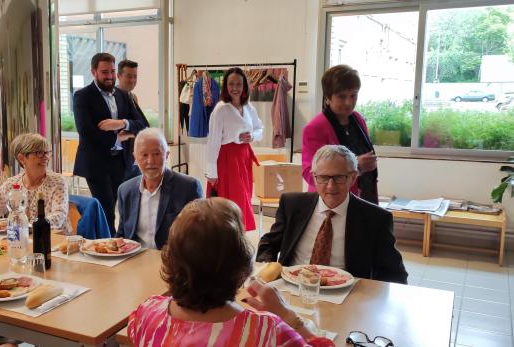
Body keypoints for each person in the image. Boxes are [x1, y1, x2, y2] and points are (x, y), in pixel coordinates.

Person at [127, 198, 333, 347]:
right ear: (241, 264)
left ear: (171, 260)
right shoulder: (269, 332)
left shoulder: (145, 314)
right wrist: (289, 317)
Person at [257, 145, 408, 284]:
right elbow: (269, 244)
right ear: (314, 176)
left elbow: (394, 273)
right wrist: (266, 270)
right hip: (293, 285)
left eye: (339, 178)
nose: (330, 186)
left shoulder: (376, 218)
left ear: (353, 177)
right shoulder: (292, 204)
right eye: (323, 177)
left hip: (347, 292)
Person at [73, 52, 148, 234]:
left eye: (112, 72)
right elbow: (86, 132)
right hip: (96, 163)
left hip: (120, 163)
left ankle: (114, 243)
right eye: (105, 72)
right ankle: (107, 249)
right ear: (93, 72)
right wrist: (119, 137)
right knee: (106, 210)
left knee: (118, 206)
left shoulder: (123, 95)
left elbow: (143, 124)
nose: (109, 76)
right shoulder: (83, 96)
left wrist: (121, 123)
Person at [0, 133, 68, 230]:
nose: (46, 157)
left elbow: (58, 216)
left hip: (53, 241)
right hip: (22, 239)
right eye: (39, 153)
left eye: (47, 152)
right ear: (21, 158)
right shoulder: (12, 184)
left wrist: (26, 225)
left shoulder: (57, 182)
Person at [302, 64, 378, 204]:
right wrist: (356, 167)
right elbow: (309, 174)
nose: (349, 102)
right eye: (341, 97)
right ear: (328, 98)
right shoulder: (315, 128)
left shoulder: (358, 119)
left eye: (353, 95)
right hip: (331, 204)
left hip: (364, 198)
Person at [116, 128, 202, 249]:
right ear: (135, 157)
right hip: (135, 260)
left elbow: (198, 238)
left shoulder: (189, 187)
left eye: (156, 154)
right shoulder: (125, 190)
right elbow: (122, 236)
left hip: (173, 261)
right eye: (144, 155)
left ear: (166, 155)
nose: (150, 161)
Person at [205, 67, 263, 231]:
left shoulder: (249, 107)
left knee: (244, 196)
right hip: (227, 159)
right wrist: (212, 173)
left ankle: (239, 234)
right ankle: (228, 235)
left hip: (243, 158)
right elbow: (213, 142)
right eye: (231, 84)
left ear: (245, 86)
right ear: (226, 86)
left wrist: (253, 136)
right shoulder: (220, 109)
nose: (235, 88)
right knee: (231, 199)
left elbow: (260, 129)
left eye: (239, 84)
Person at [117, 59, 150, 180]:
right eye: (128, 76)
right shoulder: (114, 98)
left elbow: (140, 125)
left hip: (135, 155)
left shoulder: (133, 97)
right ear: (119, 76)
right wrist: (131, 133)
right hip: (122, 158)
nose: (132, 80)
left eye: (135, 76)